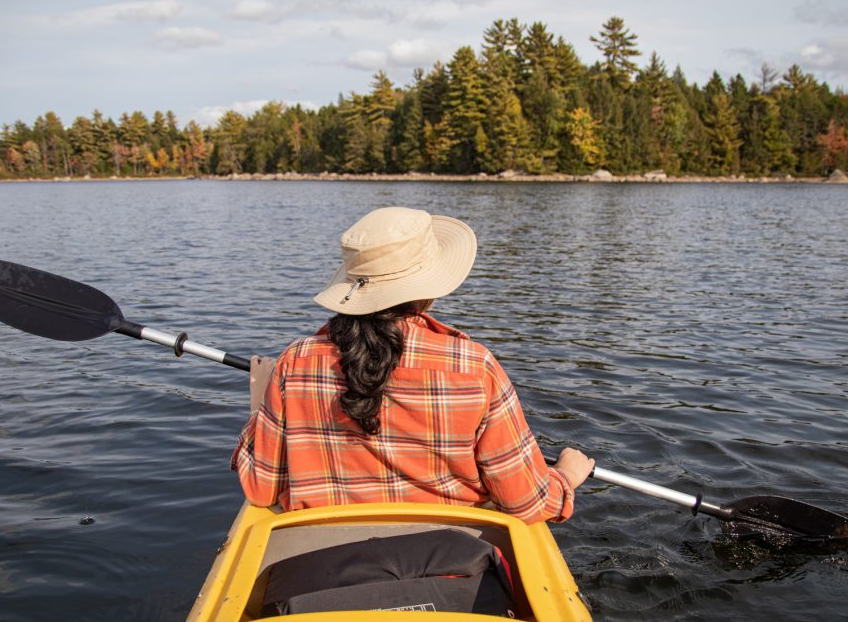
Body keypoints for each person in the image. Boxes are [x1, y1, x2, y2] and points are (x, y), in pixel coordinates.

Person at [231, 207, 594, 523]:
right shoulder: (474, 367)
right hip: (446, 566)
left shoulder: (295, 362)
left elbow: (261, 489)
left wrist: (263, 404)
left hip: (322, 567)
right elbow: (528, 503)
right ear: (427, 288)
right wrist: (565, 475)